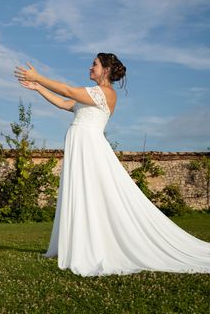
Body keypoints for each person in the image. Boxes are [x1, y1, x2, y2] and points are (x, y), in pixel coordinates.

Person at [14, 53, 210, 276]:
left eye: (94, 64)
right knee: (81, 192)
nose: (90, 67)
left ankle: (95, 246)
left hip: (90, 147)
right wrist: (38, 88)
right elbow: (65, 103)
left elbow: (68, 91)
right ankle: (79, 244)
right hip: (81, 145)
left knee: (96, 193)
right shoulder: (90, 95)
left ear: (106, 70)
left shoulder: (106, 93)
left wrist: (39, 77)